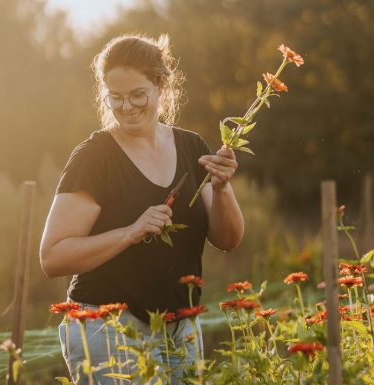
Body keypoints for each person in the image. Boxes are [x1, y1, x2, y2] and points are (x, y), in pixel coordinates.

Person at [39, 33, 244, 385]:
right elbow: (52, 257)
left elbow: (228, 239)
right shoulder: (96, 157)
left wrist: (222, 188)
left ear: (161, 85)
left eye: (137, 94)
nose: (126, 107)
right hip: (108, 329)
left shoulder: (192, 146)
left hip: (181, 329)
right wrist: (129, 232)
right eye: (115, 97)